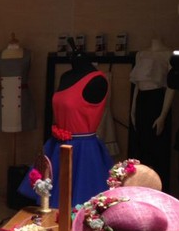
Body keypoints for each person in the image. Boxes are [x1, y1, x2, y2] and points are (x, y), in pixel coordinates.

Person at [18, 49, 113, 208]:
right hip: (57, 146)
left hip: (83, 150)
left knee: (81, 200)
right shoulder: (65, 77)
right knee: (51, 199)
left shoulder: (97, 80)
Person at [129, 37, 175, 191]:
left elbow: (171, 86)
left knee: (157, 148)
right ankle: (138, 188)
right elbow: (137, 86)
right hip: (141, 101)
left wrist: (163, 115)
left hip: (157, 101)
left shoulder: (168, 54)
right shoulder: (140, 54)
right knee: (140, 146)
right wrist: (133, 110)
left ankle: (159, 189)